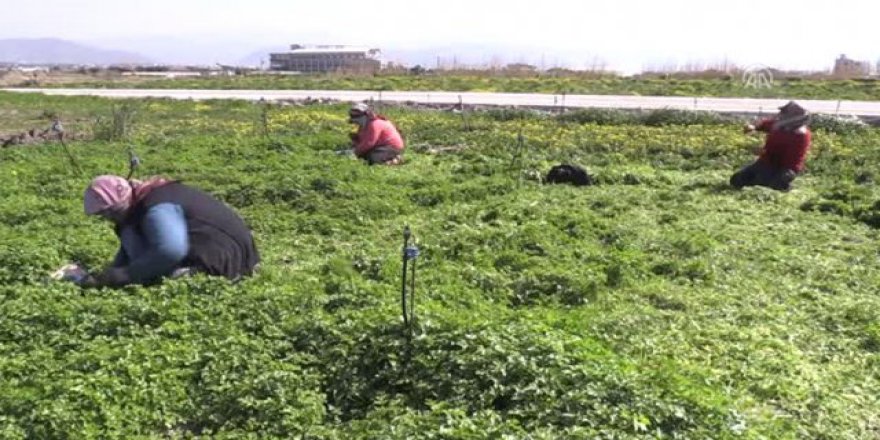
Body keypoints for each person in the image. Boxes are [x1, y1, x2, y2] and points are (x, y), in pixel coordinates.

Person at [73, 175, 260, 288]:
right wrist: (106, 276)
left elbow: (170, 250)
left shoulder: (157, 207)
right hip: (238, 260)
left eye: (110, 212)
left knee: (152, 277)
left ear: (121, 203)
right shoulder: (141, 206)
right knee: (130, 236)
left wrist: (126, 275)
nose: (109, 218)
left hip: (222, 264)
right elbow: (127, 253)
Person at [730, 101, 812, 192]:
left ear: (793, 116)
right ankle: (760, 179)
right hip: (765, 162)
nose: (780, 114)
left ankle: (786, 187)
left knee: (774, 185)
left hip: (785, 168)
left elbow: (785, 157)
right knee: (736, 180)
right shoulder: (779, 125)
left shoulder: (800, 135)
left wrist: (764, 151)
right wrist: (753, 127)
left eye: (784, 112)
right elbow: (763, 124)